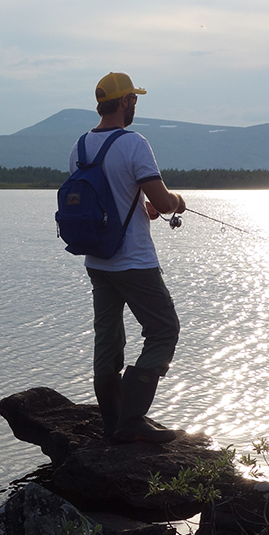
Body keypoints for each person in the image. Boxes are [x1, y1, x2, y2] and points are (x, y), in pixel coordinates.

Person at [73, 72, 187, 444]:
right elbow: (164, 198)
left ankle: (112, 421)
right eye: (134, 99)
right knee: (164, 329)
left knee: (107, 339)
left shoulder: (81, 146)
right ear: (125, 102)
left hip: (97, 260)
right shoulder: (134, 143)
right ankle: (132, 419)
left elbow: (111, 195)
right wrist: (174, 203)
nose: (135, 104)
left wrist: (144, 207)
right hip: (134, 262)